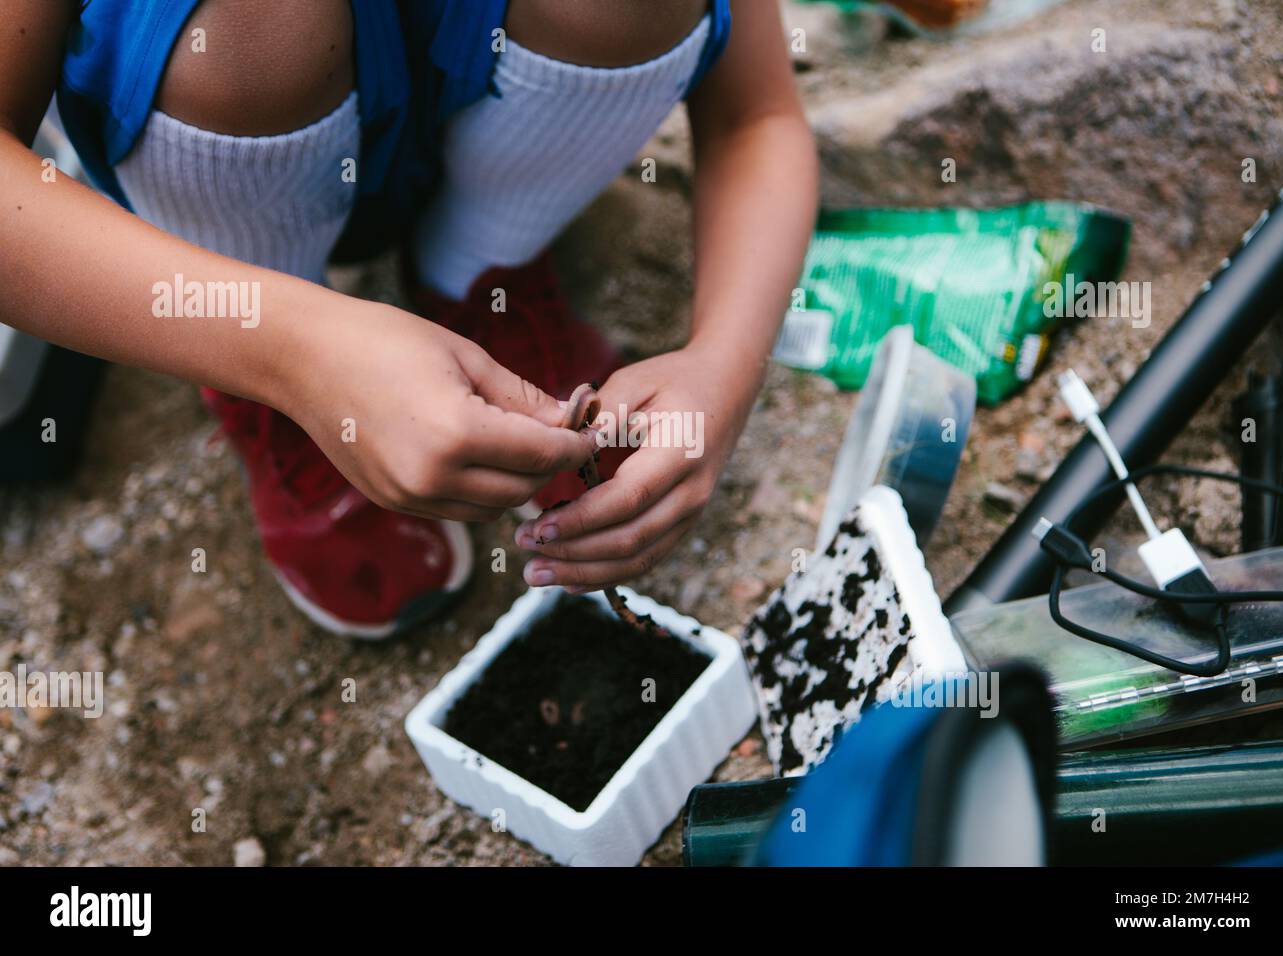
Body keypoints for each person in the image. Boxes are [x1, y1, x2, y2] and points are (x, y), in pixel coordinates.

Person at [0, 0, 817, 637]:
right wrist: (293, 352)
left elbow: (758, 114)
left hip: (474, 95)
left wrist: (726, 362)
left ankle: (483, 272)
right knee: (247, 27)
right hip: (231, 156)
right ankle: (265, 374)